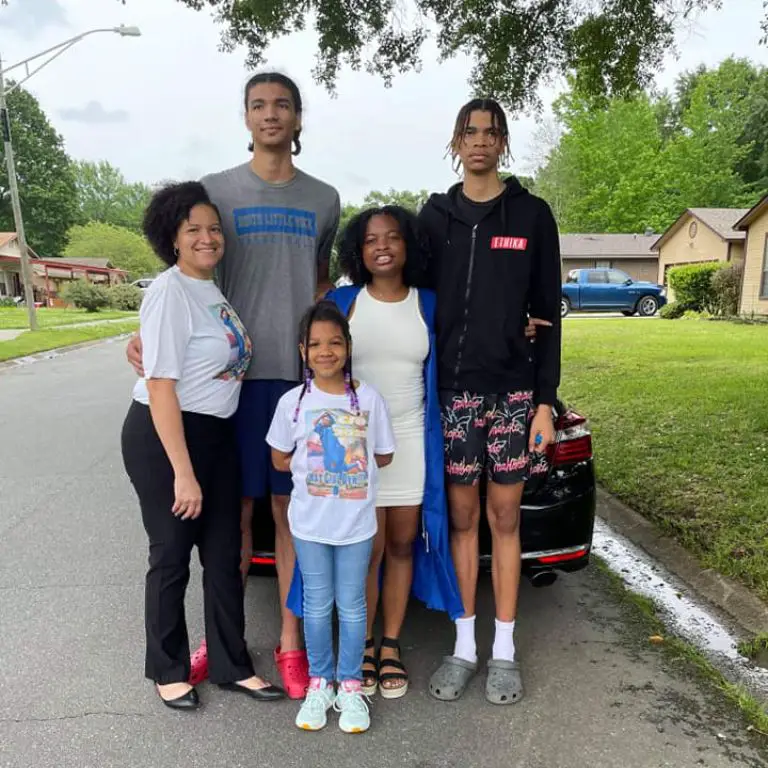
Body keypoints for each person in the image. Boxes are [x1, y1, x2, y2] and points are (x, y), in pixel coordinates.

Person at [126, 72, 340, 697]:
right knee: (231, 522)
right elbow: (180, 276)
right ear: (245, 117)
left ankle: (290, 645)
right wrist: (140, 341)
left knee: (289, 513)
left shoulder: (325, 199)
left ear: (298, 118)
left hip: (300, 381)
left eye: (282, 106)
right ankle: (220, 643)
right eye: (258, 106)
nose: (270, 115)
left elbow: (322, 285)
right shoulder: (215, 193)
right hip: (232, 389)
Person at [418, 98, 562, 705]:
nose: (480, 142)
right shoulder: (433, 217)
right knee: (461, 520)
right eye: (469, 132)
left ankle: (503, 648)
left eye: (491, 132)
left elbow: (548, 315)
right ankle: (464, 645)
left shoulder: (531, 215)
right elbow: (405, 294)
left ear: (503, 143)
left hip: (511, 393)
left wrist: (546, 402)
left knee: (503, 519)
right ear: (456, 141)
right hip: (452, 394)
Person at [121, 181, 285, 710]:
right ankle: (167, 669)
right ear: (172, 238)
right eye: (194, 229)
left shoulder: (210, 291)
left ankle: (230, 663)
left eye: (214, 228)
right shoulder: (170, 291)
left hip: (216, 434)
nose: (207, 238)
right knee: (171, 553)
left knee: (222, 553)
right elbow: (161, 384)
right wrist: (183, 472)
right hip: (166, 435)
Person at [309, 206, 463, 699]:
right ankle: (360, 647)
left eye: (393, 237)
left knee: (400, 545)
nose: (382, 246)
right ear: (359, 250)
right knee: (366, 552)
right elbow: (314, 355)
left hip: (412, 440)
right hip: (354, 448)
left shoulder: (430, 304)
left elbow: (468, 347)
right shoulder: (343, 301)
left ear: (408, 246)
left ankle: (389, 643)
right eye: (372, 239)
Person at [267, 301, 396, 733]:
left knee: (354, 606)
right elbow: (279, 457)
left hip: (357, 525)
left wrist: (347, 468)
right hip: (309, 526)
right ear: (303, 350)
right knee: (317, 606)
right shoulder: (292, 402)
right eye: (316, 344)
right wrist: (317, 466)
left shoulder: (369, 398)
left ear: (348, 347)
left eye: (335, 342)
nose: (326, 351)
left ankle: (351, 686)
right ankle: (321, 682)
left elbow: (384, 453)